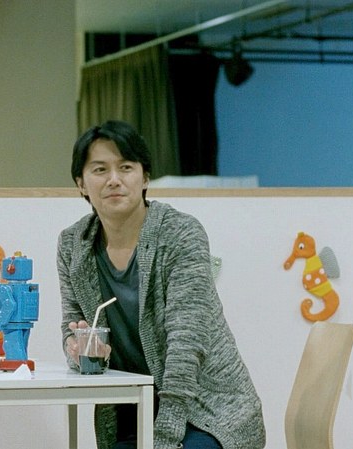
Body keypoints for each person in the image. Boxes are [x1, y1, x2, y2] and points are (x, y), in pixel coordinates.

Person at [58, 120, 265, 449]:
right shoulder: (74, 244)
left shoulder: (179, 233)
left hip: (207, 413)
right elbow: (73, 325)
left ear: (145, 178)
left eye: (126, 167)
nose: (114, 179)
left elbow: (187, 342)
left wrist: (165, 436)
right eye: (99, 169)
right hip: (131, 417)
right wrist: (80, 349)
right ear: (81, 184)